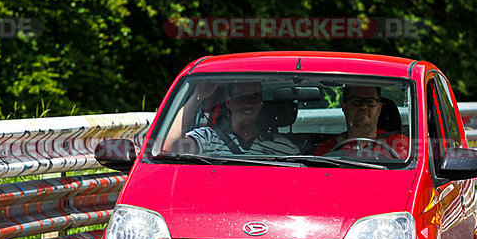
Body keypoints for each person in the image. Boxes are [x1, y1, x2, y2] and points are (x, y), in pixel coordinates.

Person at [164, 80, 299, 155]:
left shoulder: (285, 148)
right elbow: (169, 146)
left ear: (260, 104)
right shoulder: (207, 138)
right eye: (241, 97)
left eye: (254, 98)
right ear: (229, 102)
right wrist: (198, 96)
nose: (248, 103)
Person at [314, 85, 409, 159]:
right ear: (344, 107)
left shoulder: (397, 143)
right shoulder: (328, 147)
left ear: (379, 108)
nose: (364, 107)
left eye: (370, 102)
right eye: (357, 101)